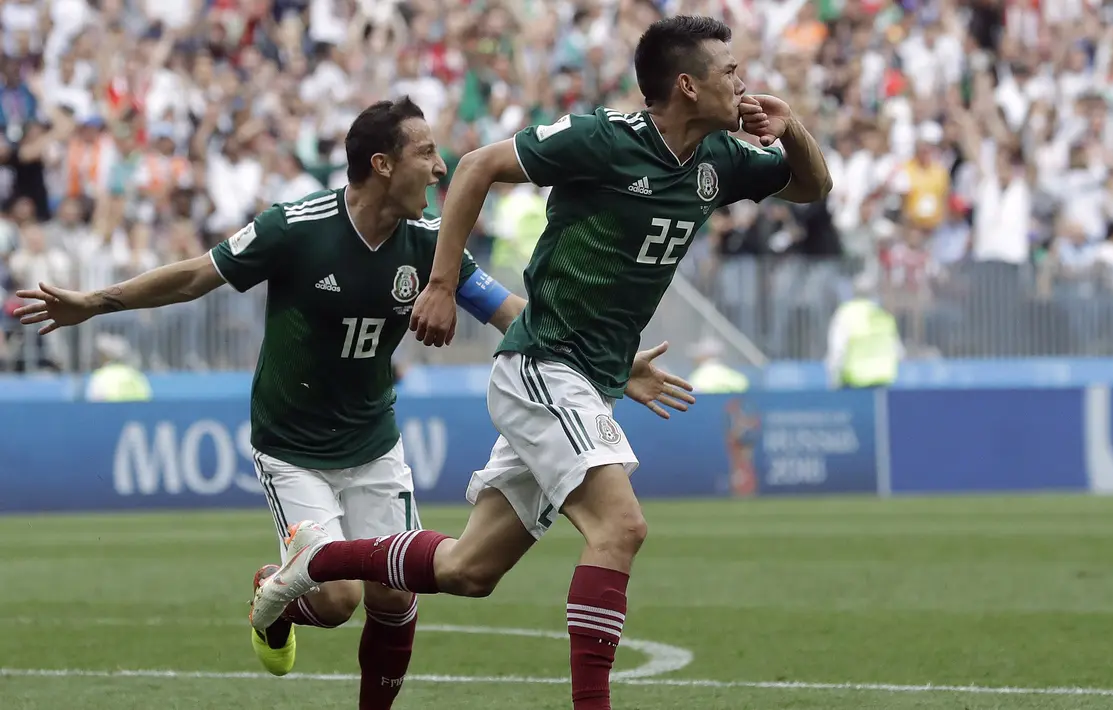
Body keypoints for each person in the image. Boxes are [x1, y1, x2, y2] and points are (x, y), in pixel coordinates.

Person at [14, 97, 693, 710]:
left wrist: (595, 359)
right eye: (425, 153)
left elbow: (501, 308)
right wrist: (93, 304)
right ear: (381, 162)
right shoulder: (296, 226)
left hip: (373, 442)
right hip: (293, 448)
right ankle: (275, 601)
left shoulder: (430, 245)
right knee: (337, 603)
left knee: (397, 598)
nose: (439, 168)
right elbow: (198, 275)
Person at [248, 15, 830, 710]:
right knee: (620, 528)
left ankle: (313, 564)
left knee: (468, 570)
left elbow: (809, 188)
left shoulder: (719, 159)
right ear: (686, 85)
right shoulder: (602, 141)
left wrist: (790, 127)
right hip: (544, 369)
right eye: (728, 71)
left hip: (589, 382)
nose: (742, 81)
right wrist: (438, 283)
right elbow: (477, 165)